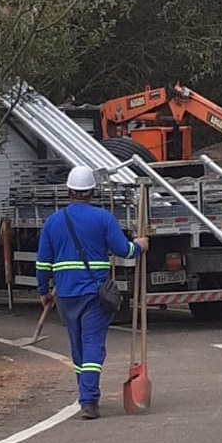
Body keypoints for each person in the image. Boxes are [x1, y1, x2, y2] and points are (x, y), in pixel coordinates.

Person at [36, 165, 148, 420]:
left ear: (68, 191)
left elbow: (42, 264)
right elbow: (123, 250)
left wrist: (44, 292)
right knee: (93, 345)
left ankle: (86, 395)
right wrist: (140, 245)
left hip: (65, 296)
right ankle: (89, 400)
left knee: (79, 347)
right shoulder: (103, 218)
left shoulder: (53, 222)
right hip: (95, 295)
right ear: (92, 192)